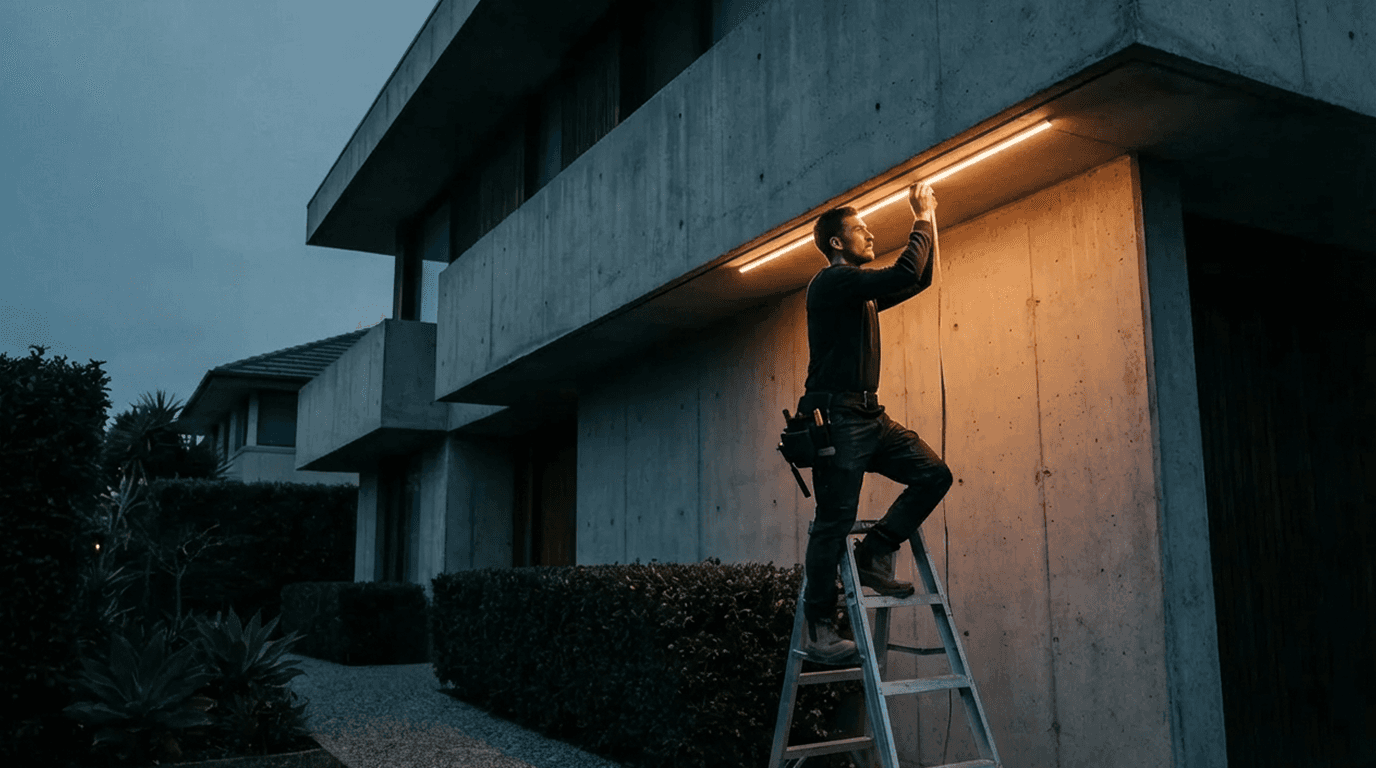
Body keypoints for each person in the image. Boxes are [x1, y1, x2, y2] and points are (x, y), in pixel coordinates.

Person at [796, 182, 953, 665]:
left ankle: (874, 554)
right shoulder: (833, 282)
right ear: (837, 243)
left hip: (869, 415)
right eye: (859, 229)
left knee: (934, 474)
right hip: (837, 417)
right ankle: (819, 628)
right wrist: (921, 214)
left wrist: (932, 223)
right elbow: (908, 266)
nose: (869, 234)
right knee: (833, 522)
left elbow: (919, 278)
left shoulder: (858, 295)